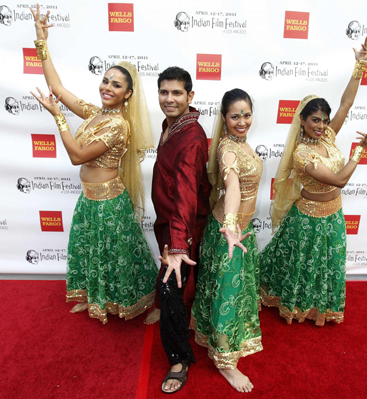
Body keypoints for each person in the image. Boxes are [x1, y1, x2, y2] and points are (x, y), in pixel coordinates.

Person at [29, 5, 158, 324]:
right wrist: (41, 43)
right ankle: (95, 298)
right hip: (88, 198)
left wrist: (58, 117)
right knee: (91, 253)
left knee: (119, 257)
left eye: (116, 85)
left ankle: (143, 302)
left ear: (128, 94)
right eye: (105, 80)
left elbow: (76, 156)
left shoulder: (118, 126)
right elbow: (57, 88)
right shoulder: (95, 113)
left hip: (109, 203)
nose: (107, 87)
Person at [260, 38, 367, 326]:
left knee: (328, 265)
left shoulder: (327, 136)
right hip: (308, 220)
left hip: (334, 215)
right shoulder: (301, 154)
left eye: (324, 120)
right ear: (302, 121)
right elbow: (339, 180)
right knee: (303, 267)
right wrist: (360, 151)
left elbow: (347, 103)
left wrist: (360, 64)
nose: (321, 125)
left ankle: (321, 307)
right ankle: (296, 306)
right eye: (315, 120)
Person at [191, 89, 263, 393]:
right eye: (235, 116)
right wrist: (231, 226)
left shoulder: (243, 144)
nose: (242, 120)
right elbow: (232, 186)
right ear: (224, 118)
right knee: (226, 297)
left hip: (239, 232)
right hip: (228, 232)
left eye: (246, 114)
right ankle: (226, 364)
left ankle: (209, 330)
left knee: (228, 291)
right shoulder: (227, 150)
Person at [151, 66, 211, 393]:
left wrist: (178, 247)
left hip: (183, 228)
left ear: (190, 96)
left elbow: (187, 194)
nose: (169, 99)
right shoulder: (172, 125)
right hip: (167, 221)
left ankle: (179, 358)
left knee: (170, 288)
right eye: (164, 92)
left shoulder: (191, 138)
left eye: (177, 93)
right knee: (169, 287)